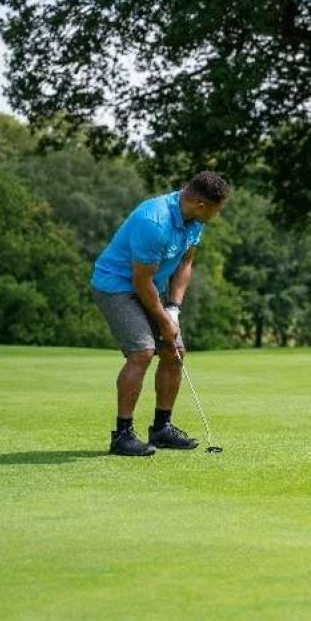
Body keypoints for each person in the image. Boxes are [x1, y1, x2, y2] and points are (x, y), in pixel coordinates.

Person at [91, 171, 230, 456]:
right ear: (202, 205)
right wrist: (163, 320)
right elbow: (140, 280)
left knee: (174, 352)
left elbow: (185, 263)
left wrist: (174, 310)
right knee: (142, 351)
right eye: (218, 209)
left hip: (150, 287)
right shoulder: (154, 221)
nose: (219, 214)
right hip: (116, 286)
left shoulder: (194, 220)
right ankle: (122, 436)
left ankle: (161, 429)